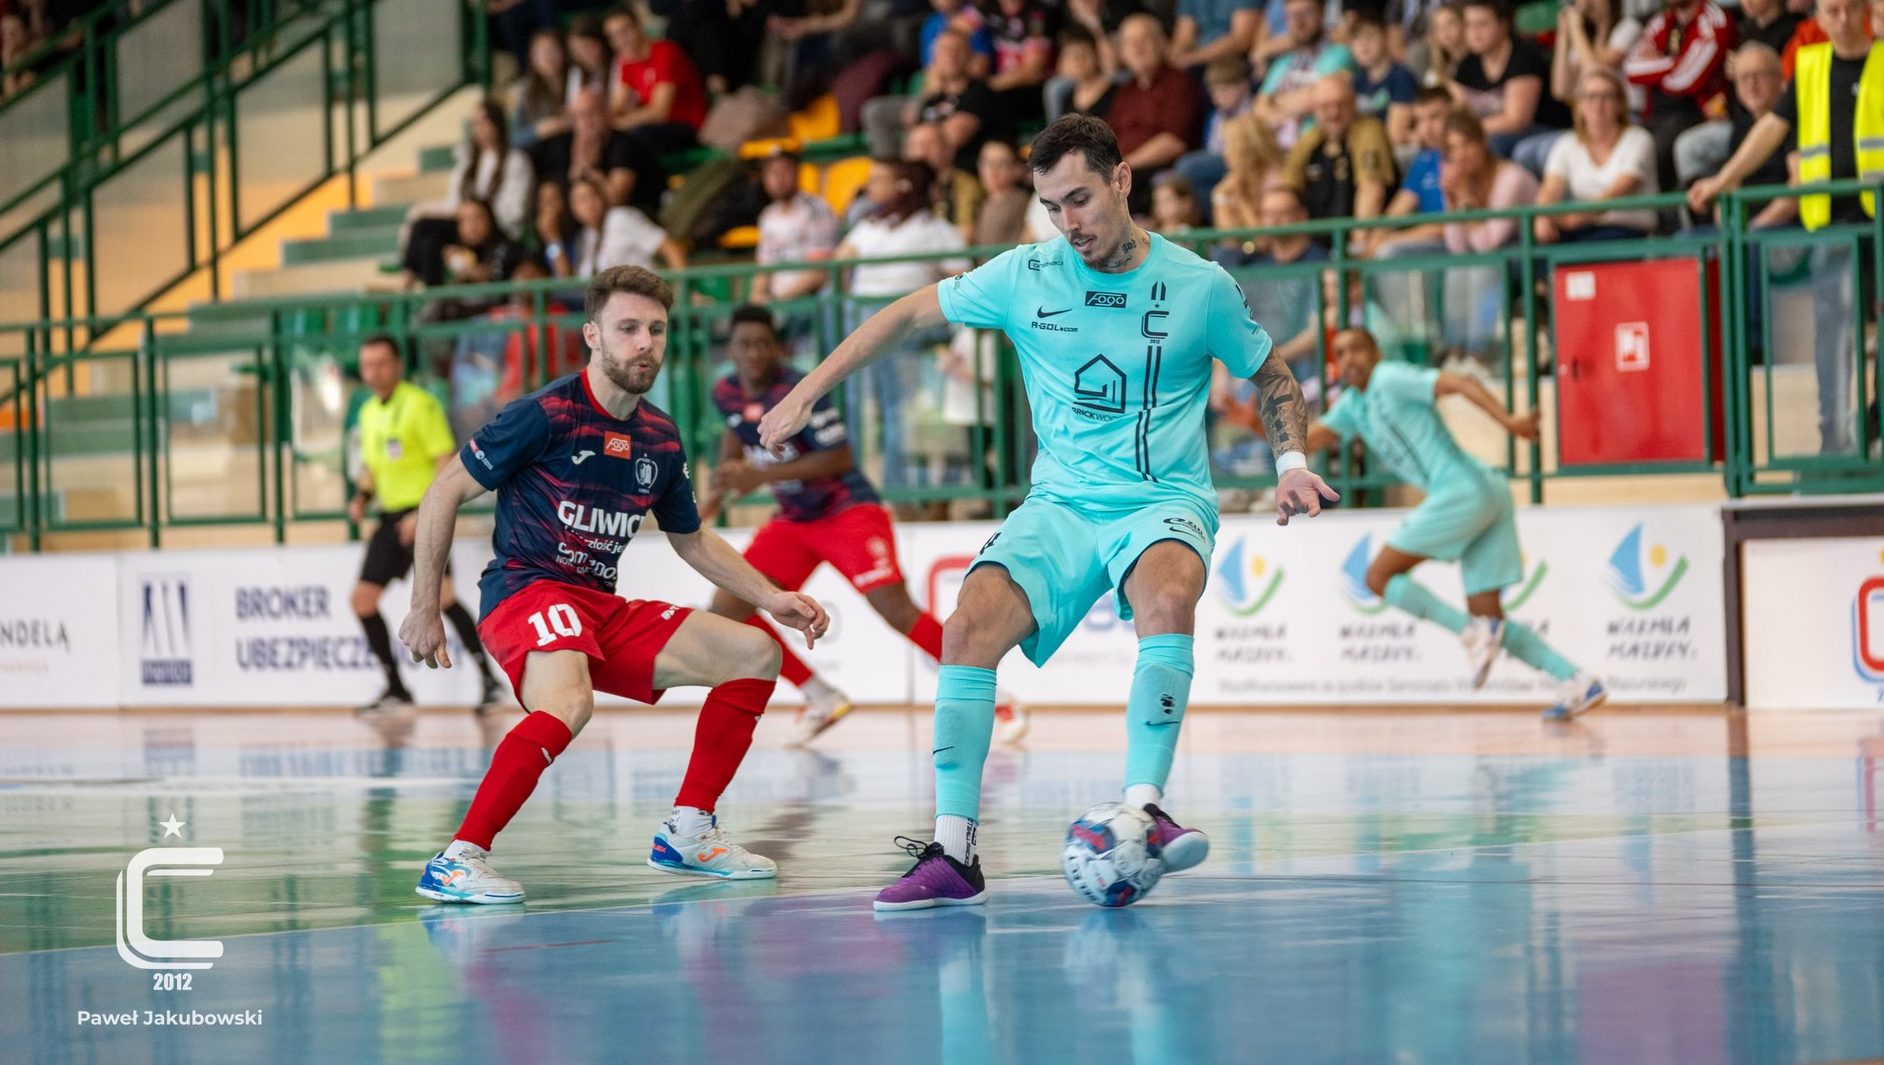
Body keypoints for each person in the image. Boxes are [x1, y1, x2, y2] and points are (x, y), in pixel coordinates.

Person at [756, 115, 1335, 910]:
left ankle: (1145, 809)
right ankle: (954, 851)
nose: (1069, 223)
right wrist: (806, 390)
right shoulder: (1024, 274)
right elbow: (907, 314)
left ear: (1121, 180)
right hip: (1060, 503)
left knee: (1166, 599)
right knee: (965, 628)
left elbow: (1272, 377)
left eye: (1081, 199)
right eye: (1053, 207)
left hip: (1162, 499)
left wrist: (1291, 463)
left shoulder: (1199, 285)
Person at [401, 266, 831, 904]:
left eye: (656, 329)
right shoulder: (543, 414)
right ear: (593, 336)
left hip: (598, 606)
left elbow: (691, 538)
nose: (645, 343)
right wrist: (424, 606)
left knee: (755, 652)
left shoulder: (660, 437)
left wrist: (770, 597)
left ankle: (688, 833)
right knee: (569, 704)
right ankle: (457, 859)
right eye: (628, 328)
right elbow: (443, 492)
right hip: (527, 591)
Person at [703, 305, 1030, 745]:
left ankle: (997, 699)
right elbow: (735, 441)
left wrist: (759, 476)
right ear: (730, 351)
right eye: (744, 344)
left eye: (763, 344)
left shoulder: (798, 390)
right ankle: (820, 696)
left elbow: (840, 457)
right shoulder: (724, 392)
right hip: (795, 520)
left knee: (896, 610)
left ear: (778, 349)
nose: (754, 353)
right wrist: (716, 495)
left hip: (847, 511)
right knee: (728, 609)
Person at [1308, 328, 1608, 719]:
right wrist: (1254, 423)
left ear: (1376, 352)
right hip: (1488, 491)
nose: (1348, 358)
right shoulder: (1352, 405)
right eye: (1340, 352)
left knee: (1378, 577)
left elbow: (1462, 383)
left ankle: (1470, 633)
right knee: (1489, 617)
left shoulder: (1390, 378)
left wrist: (1510, 422)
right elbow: (1305, 441)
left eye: (1357, 349)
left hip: (1461, 491)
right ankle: (1578, 680)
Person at [1689, 0, 1882, 455]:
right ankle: (1834, 440)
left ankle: (1877, 424)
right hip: (1831, 223)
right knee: (1833, 335)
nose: (1842, 20)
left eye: (1850, 9)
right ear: (1819, 17)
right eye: (1832, 11)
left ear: (1866, 12)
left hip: (1880, 221)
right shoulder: (1810, 68)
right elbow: (1771, 129)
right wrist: (1723, 180)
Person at [348, 336, 504, 717]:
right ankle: (396, 690)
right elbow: (371, 466)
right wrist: (362, 497)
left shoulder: (421, 404)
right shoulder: (367, 412)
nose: (374, 373)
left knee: (444, 598)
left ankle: (490, 682)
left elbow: (444, 459)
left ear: (398, 365)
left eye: (381, 363)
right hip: (390, 518)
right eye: (367, 365)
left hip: (423, 516)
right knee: (362, 600)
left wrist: (424, 512)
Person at [1534, 67, 1659, 242]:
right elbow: (1551, 188)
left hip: (1627, 229)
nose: (1598, 105)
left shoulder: (1638, 139)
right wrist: (1542, 216)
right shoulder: (1566, 143)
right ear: (1579, 105)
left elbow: (1621, 189)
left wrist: (1579, 217)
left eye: (1607, 97)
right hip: (1582, 229)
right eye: (1590, 96)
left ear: (1620, 104)